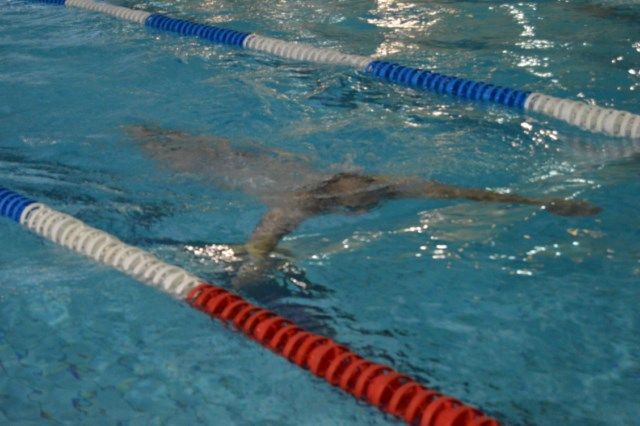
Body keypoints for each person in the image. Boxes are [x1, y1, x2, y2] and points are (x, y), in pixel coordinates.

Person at [126, 124, 601, 286]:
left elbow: (463, 192)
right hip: (208, 167)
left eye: (369, 202)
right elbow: (263, 237)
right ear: (339, 203)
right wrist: (250, 272)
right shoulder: (301, 204)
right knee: (166, 148)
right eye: (358, 209)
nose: (365, 212)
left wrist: (542, 202)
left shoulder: (390, 185)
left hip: (253, 158)